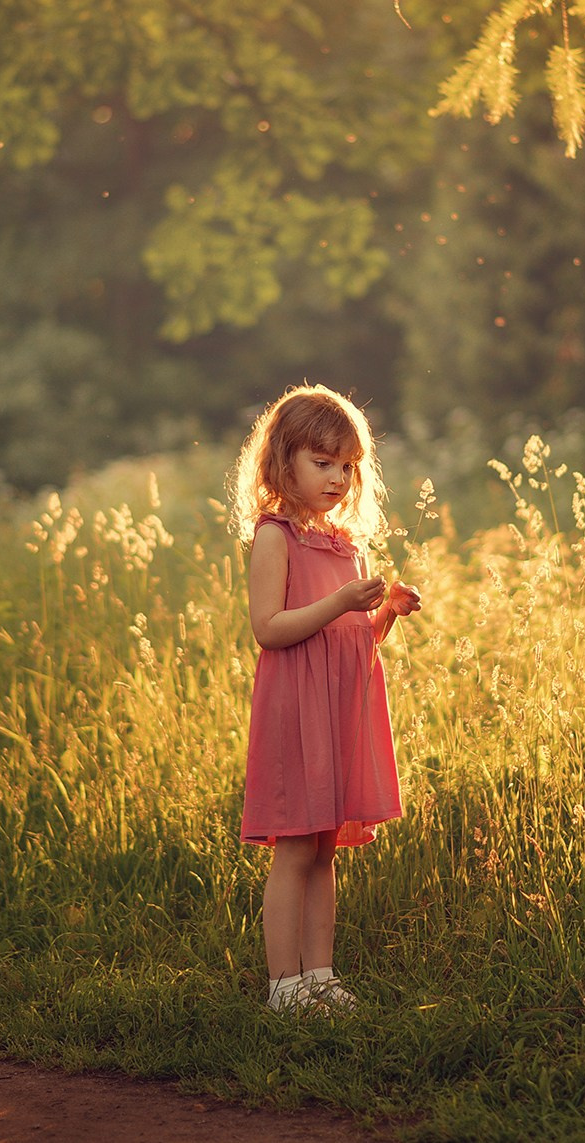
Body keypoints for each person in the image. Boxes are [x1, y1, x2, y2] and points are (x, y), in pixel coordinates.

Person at [230, 384, 421, 1015]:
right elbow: (269, 628)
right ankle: (284, 985)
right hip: (294, 708)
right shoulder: (275, 538)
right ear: (284, 462)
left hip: (337, 708)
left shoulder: (345, 543)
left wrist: (386, 611)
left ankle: (321, 977)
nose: (338, 477)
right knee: (293, 843)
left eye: (348, 466)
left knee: (324, 846)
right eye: (323, 462)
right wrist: (339, 601)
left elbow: (353, 639)